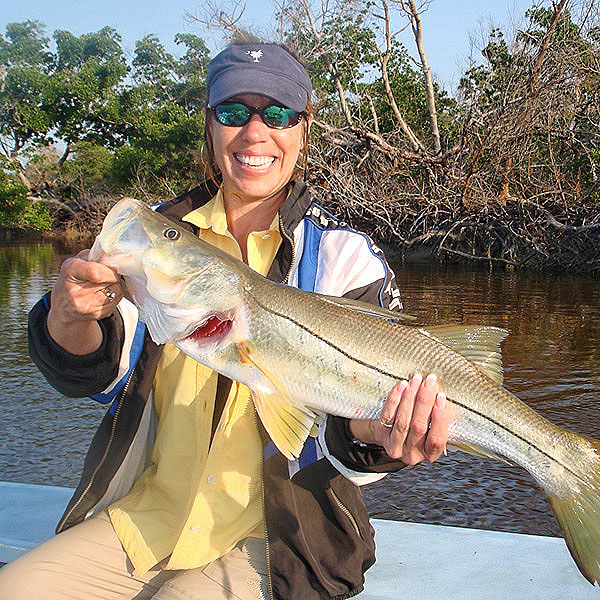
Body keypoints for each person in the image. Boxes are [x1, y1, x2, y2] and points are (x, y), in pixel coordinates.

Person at [1, 43, 451, 600]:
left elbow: (346, 446)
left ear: (303, 130)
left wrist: (381, 434)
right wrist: (68, 313)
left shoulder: (344, 258)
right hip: (143, 518)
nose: (255, 132)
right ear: (210, 128)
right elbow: (95, 372)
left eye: (279, 113)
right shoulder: (162, 241)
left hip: (282, 537)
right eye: (233, 112)